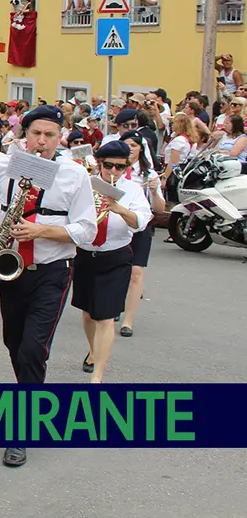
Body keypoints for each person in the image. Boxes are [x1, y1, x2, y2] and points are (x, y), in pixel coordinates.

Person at [0, 105, 96, 468]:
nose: (42, 142)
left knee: (32, 348)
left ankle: (22, 428)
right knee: (15, 344)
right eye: (36, 134)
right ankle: (31, 396)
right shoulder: (2, 167)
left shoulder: (74, 176)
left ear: (60, 138)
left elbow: (87, 232)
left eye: (50, 136)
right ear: (24, 134)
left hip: (52, 270)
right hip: (12, 268)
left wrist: (41, 230)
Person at [73, 141, 150, 383]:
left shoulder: (133, 190)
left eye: (120, 167)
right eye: (109, 166)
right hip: (85, 255)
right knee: (88, 314)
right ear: (99, 164)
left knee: (105, 317)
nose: (114, 172)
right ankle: (94, 350)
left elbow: (141, 221)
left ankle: (98, 376)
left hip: (115, 256)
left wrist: (118, 208)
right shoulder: (84, 184)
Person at [117, 130, 165, 338]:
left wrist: (154, 191)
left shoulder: (149, 174)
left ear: (141, 149)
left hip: (140, 225)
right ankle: (114, 305)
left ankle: (128, 320)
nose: (130, 149)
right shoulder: (112, 170)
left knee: (136, 272)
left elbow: (160, 208)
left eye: (134, 145)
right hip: (116, 225)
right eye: (126, 145)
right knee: (117, 269)